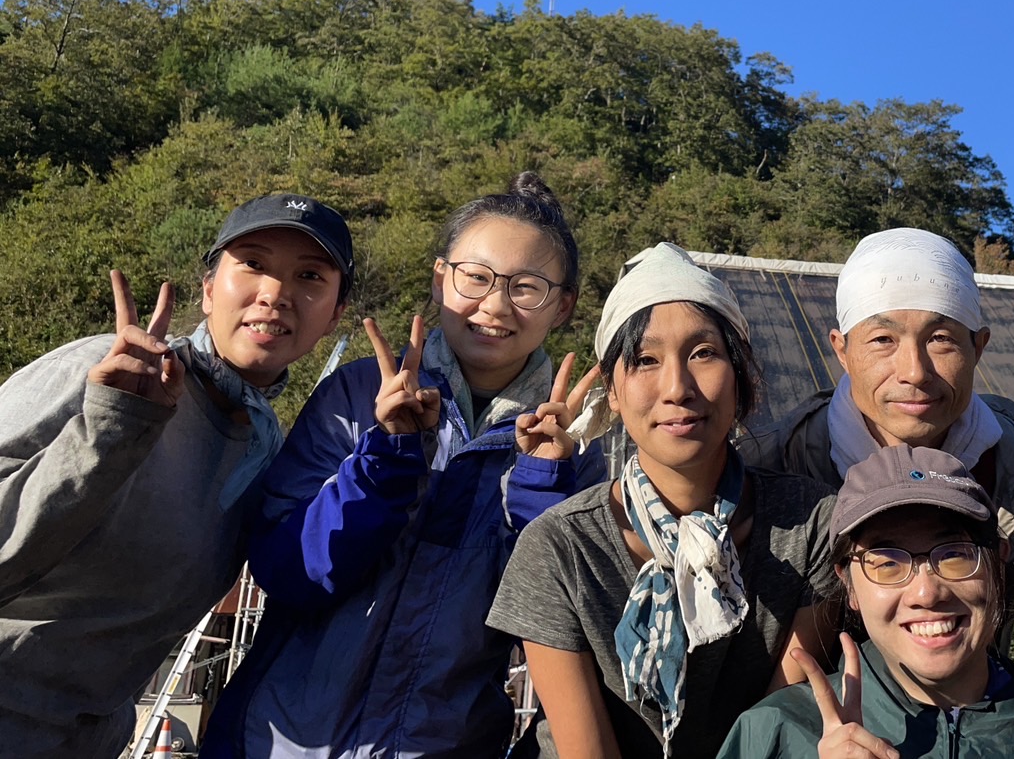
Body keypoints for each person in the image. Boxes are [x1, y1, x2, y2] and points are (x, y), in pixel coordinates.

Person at [202, 173, 605, 759]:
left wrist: (542, 487)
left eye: (528, 287)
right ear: (441, 278)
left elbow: (559, 634)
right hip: (276, 741)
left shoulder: (574, 450)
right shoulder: (360, 393)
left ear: (563, 305)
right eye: (476, 277)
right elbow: (287, 573)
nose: (494, 306)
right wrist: (386, 461)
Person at [0, 193, 353, 759]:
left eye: (309, 276)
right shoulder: (103, 374)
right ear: (210, 287)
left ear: (335, 313)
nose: (276, 293)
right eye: (253, 264)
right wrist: (109, 432)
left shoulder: (267, 452)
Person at [488, 242, 838, 759]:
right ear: (613, 390)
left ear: (740, 376)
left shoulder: (811, 525)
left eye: (704, 354)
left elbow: (781, 727)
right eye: (646, 360)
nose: (677, 387)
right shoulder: (560, 548)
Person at [746, 227, 1014, 646]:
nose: (914, 371)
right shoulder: (767, 468)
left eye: (941, 339)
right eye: (883, 340)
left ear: (979, 348)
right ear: (842, 351)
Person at [719, 443, 1014, 759]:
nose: (926, 593)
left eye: (954, 554)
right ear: (848, 585)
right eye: (887, 562)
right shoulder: (776, 733)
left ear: (998, 565)